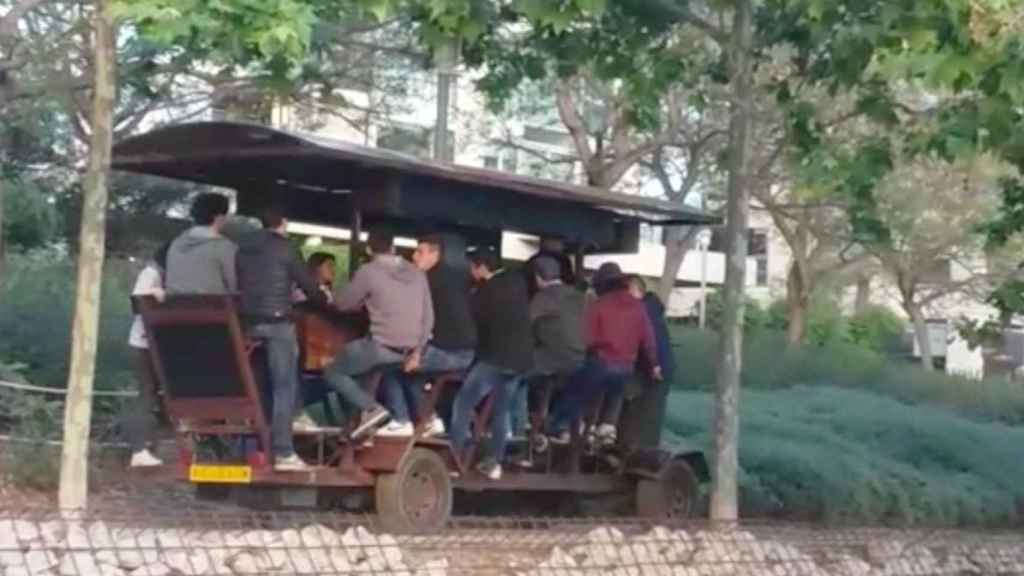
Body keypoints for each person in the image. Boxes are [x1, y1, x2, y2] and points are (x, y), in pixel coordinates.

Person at [236, 206, 330, 472]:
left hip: (247, 324)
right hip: (278, 323)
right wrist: (322, 300)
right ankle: (284, 451)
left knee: (259, 384)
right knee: (284, 385)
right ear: (284, 223)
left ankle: (252, 445)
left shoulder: (242, 247)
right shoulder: (286, 247)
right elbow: (306, 283)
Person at [327, 227, 434, 438]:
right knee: (366, 372)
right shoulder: (417, 273)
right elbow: (429, 317)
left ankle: (371, 409)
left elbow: (342, 304)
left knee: (334, 371)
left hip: (381, 348)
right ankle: (364, 427)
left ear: (369, 250)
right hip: (410, 352)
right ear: (393, 248)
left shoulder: (369, 271)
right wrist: (417, 352)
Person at [549, 262, 661, 445]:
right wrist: (654, 364)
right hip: (626, 369)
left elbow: (587, 337)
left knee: (573, 387)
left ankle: (566, 428)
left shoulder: (600, 304)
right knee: (612, 387)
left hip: (602, 363)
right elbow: (648, 339)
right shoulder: (638, 306)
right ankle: (607, 428)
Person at [449, 248, 533, 480]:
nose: (471, 273)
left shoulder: (483, 294)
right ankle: (495, 463)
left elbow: (474, 329)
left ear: (481, 267)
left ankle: (454, 459)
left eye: (472, 268)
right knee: (501, 410)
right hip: (521, 360)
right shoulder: (517, 282)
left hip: (494, 358)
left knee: (463, 403)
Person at [384, 234, 477, 436]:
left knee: (389, 364)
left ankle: (401, 419)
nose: (414, 256)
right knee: (412, 376)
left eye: (420, 252)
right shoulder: (458, 275)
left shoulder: (426, 280)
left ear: (435, 253)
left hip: (449, 351)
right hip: (467, 352)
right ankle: (429, 420)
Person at [126, 242, 171, 468]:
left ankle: (149, 444)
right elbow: (136, 302)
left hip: (155, 344)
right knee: (146, 394)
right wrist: (154, 294)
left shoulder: (166, 274)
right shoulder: (151, 272)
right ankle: (139, 449)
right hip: (143, 344)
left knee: (155, 394)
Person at [619, 275, 675, 448]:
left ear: (635, 291)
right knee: (650, 415)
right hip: (656, 368)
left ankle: (640, 451)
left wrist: (655, 365)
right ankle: (641, 450)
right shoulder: (650, 308)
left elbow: (651, 340)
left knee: (646, 413)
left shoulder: (643, 310)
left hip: (655, 370)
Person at [165, 193, 237, 295]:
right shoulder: (225, 248)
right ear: (220, 217)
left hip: (174, 308)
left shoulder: (175, 244)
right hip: (210, 309)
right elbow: (235, 286)